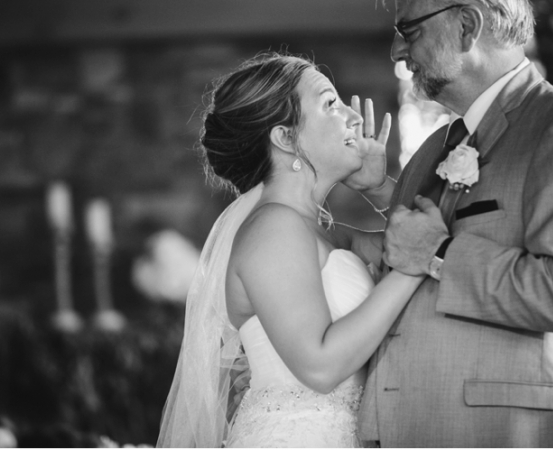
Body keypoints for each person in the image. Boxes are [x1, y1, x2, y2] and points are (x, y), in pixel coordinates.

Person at [349, 0, 553, 447]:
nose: (396, 50)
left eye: (408, 29)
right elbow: (421, 238)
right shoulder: (436, 145)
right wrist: (381, 190)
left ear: (466, 26)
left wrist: (440, 254)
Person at [156, 52, 424, 448]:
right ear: (285, 138)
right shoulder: (273, 230)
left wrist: (379, 188)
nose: (353, 116)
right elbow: (319, 365)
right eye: (330, 103)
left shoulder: (317, 231)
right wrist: (408, 271)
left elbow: (427, 248)